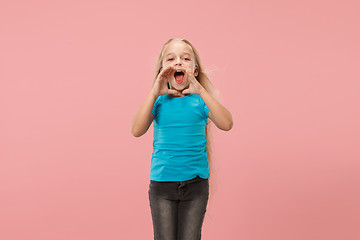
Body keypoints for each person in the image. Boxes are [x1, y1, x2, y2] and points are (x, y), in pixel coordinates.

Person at [131, 38, 233, 240]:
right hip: (162, 186)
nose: (178, 62)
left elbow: (227, 123)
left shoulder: (201, 100)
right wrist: (154, 91)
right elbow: (136, 129)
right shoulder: (158, 100)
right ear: (162, 69)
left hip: (196, 186)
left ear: (195, 71)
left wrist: (201, 90)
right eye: (171, 58)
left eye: (186, 58)